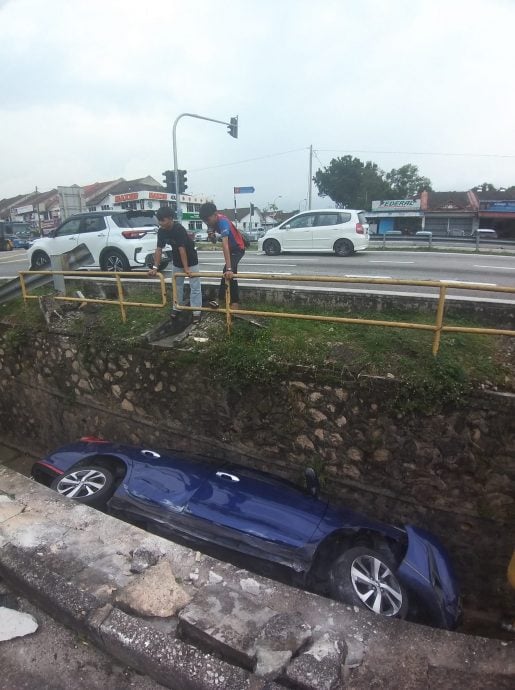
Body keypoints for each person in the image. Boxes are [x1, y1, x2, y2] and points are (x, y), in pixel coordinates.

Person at [148, 206, 202, 323]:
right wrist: (155, 268)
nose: (160, 223)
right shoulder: (161, 231)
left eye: (163, 220)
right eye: (159, 220)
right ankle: (177, 307)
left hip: (191, 260)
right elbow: (158, 249)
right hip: (177, 261)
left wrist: (187, 269)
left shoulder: (179, 229)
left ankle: (196, 311)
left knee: (195, 287)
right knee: (177, 286)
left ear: (171, 218)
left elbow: (182, 249)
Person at [198, 202, 245, 310]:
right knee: (226, 273)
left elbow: (225, 245)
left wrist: (229, 268)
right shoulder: (211, 223)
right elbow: (214, 242)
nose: (207, 223)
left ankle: (234, 302)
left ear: (215, 214)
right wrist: (211, 236)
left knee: (230, 272)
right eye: (204, 221)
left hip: (238, 248)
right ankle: (221, 299)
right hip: (230, 248)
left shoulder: (223, 222)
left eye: (208, 220)